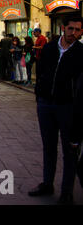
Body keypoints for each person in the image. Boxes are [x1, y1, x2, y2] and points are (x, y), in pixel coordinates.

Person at [29, 17, 83, 205]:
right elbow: (41, 71)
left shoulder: (81, 53)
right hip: (45, 103)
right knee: (49, 147)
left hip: (67, 107)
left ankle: (66, 192)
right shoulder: (50, 48)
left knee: (69, 151)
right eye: (71, 29)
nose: (74, 33)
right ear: (63, 28)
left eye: (78, 30)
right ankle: (47, 183)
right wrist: (39, 94)